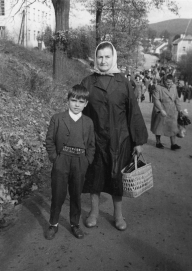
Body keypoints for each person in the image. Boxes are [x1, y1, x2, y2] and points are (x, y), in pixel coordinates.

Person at [81, 41, 148, 231]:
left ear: (113, 58)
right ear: (96, 58)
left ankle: (118, 216)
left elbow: (133, 112)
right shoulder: (87, 82)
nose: (103, 60)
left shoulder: (123, 83)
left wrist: (138, 141)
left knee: (117, 178)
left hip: (120, 140)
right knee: (95, 177)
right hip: (94, 140)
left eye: (107, 57)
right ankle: (93, 213)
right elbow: (78, 111)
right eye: (100, 57)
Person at [45, 84, 95, 240]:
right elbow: (49, 140)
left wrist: (87, 161)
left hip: (80, 161)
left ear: (86, 104)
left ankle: (75, 224)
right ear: (68, 101)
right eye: (73, 100)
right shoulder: (58, 118)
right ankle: (53, 224)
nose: (77, 104)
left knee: (76, 195)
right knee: (58, 194)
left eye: (81, 102)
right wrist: (55, 158)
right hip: (62, 160)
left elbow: (92, 145)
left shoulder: (88, 122)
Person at [150, 74, 182, 150]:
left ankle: (173, 144)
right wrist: (161, 110)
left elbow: (177, 98)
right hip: (161, 108)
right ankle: (158, 142)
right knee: (159, 126)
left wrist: (179, 109)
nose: (169, 84)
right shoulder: (158, 88)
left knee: (173, 126)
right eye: (168, 83)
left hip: (172, 109)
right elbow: (156, 100)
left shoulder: (174, 87)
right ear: (164, 81)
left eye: (171, 82)